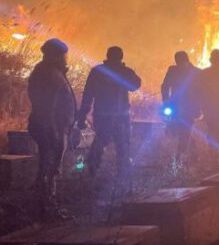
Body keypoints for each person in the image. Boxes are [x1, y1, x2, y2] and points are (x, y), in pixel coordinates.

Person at [76, 46, 141, 186]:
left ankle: (91, 170)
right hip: (121, 115)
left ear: (107, 55)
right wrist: (128, 71)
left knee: (100, 141)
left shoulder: (97, 71)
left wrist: (82, 114)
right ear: (121, 57)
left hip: (102, 114)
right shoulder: (125, 72)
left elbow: (88, 94)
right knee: (122, 145)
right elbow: (135, 85)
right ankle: (123, 176)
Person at [27, 38, 77, 219]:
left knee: (50, 165)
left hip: (54, 126)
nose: (66, 58)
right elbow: (47, 105)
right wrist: (53, 129)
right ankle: (46, 207)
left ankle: (46, 204)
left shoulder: (49, 72)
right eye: (63, 55)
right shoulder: (49, 74)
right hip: (50, 127)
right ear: (56, 55)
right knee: (49, 166)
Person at [161, 51, 201, 165]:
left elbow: (202, 92)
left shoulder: (197, 72)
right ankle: (193, 152)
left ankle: (179, 156)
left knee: (185, 130)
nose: (179, 65)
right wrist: (166, 100)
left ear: (186, 61)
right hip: (175, 105)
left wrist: (199, 107)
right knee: (179, 130)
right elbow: (165, 86)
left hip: (190, 107)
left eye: (181, 62)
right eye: (177, 62)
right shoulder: (172, 70)